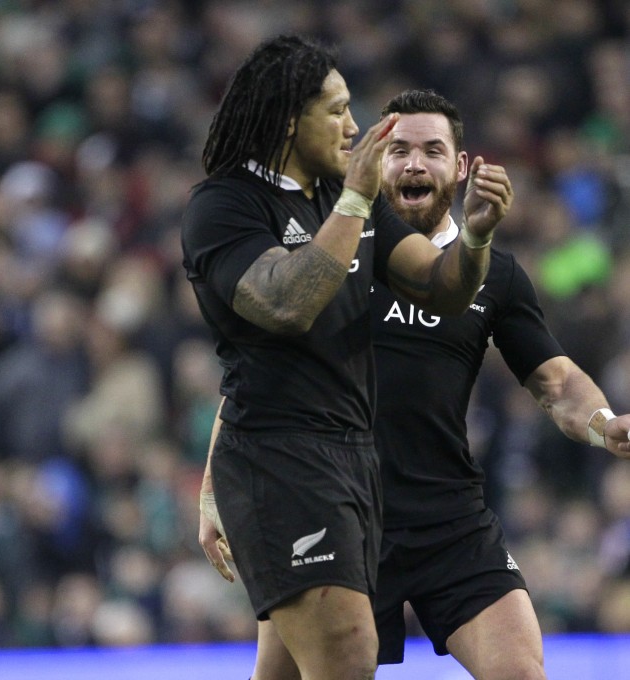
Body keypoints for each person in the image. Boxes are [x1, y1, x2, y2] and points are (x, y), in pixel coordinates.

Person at [199, 89, 630, 679]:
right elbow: (257, 375)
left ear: (460, 167)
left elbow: (555, 380)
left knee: (523, 673)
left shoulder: (494, 275)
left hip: (448, 519)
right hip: (334, 512)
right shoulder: (331, 259)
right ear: (375, 163)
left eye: (432, 149)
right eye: (397, 149)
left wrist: (604, 424)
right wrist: (210, 491)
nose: (413, 163)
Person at [181, 33, 512, 679]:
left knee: (292, 669)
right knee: (347, 656)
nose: (354, 126)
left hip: (354, 460)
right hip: (280, 459)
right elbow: (284, 303)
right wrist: (358, 200)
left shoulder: (337, 194)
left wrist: (474, 237)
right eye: (335, 110)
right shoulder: (224, 205)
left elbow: (439, 289)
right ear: (286, 119)